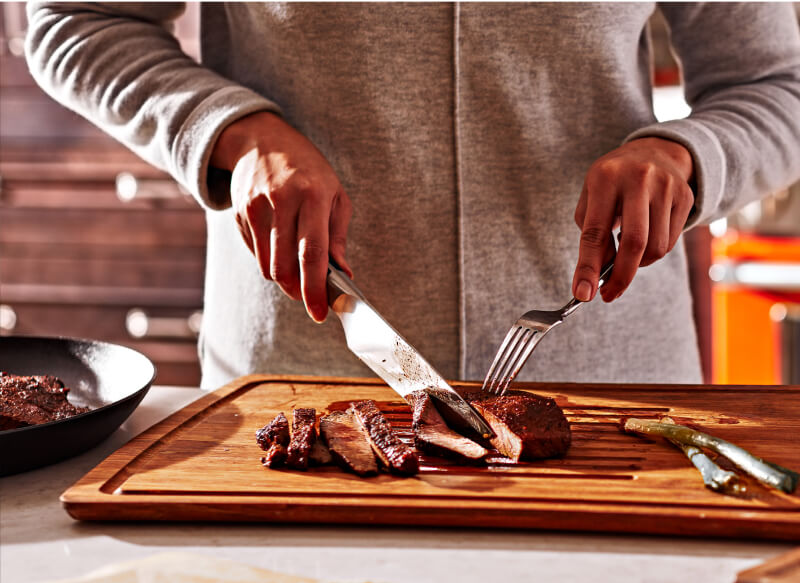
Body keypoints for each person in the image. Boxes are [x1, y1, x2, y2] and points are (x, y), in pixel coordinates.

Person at [26, 3, 800, 389]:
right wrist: (233, 133)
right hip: (299, 391)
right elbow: (72, 19)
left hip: (610, 394)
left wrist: (689, 155)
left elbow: (777, 82)